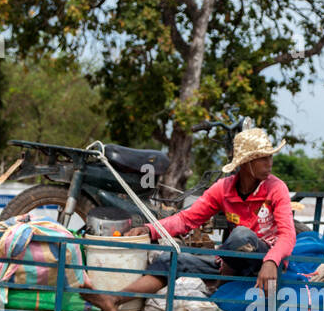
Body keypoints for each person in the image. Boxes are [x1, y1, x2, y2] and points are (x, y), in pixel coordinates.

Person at [115, 127, 295, 301]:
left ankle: (218, 288)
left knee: (241, 235)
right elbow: (187, 219)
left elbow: (287, 236)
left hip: (264, 260)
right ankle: (116, 299)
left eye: (270, 156)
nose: (269, 163)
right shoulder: (223, 189)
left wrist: (271, 261)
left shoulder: (276, 188)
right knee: (170, 259)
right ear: (246, 163)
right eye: (262, 158)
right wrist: (150, 230)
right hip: (230, 263)